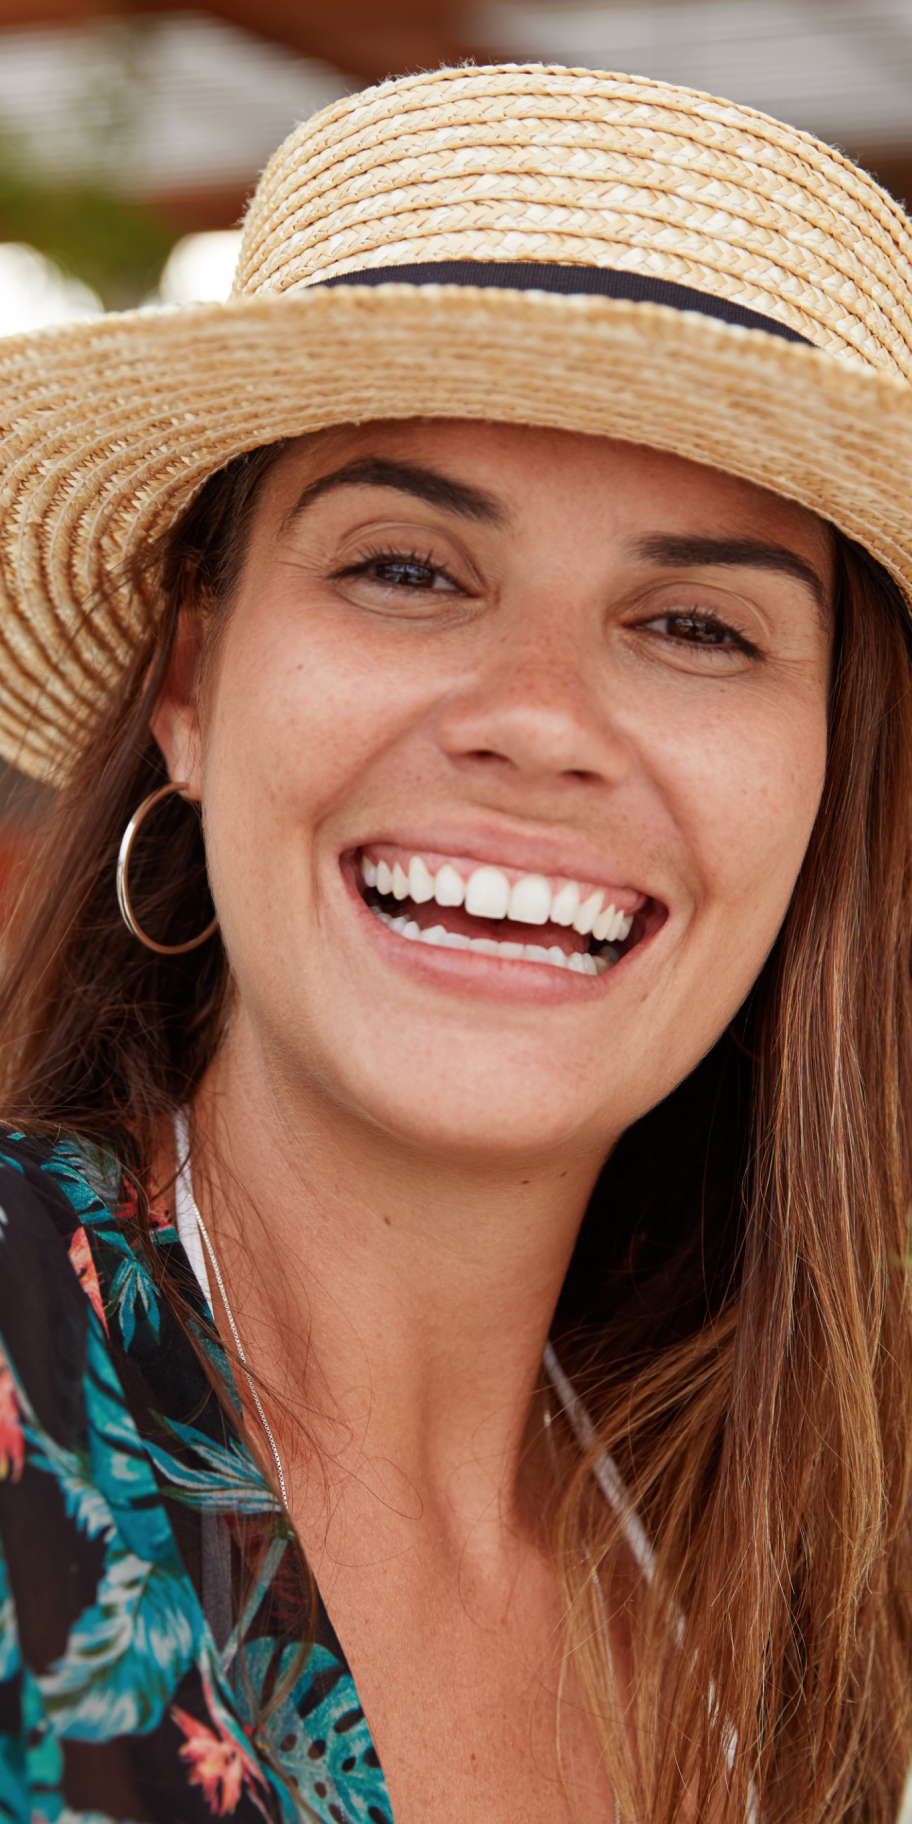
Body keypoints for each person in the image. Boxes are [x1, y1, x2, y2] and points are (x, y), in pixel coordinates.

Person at [0, 57, 911, 1824]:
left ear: (828, 794)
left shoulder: (811, 1559)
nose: (537, 718)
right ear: (190, 683)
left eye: (700, 624)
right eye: (407, 568)